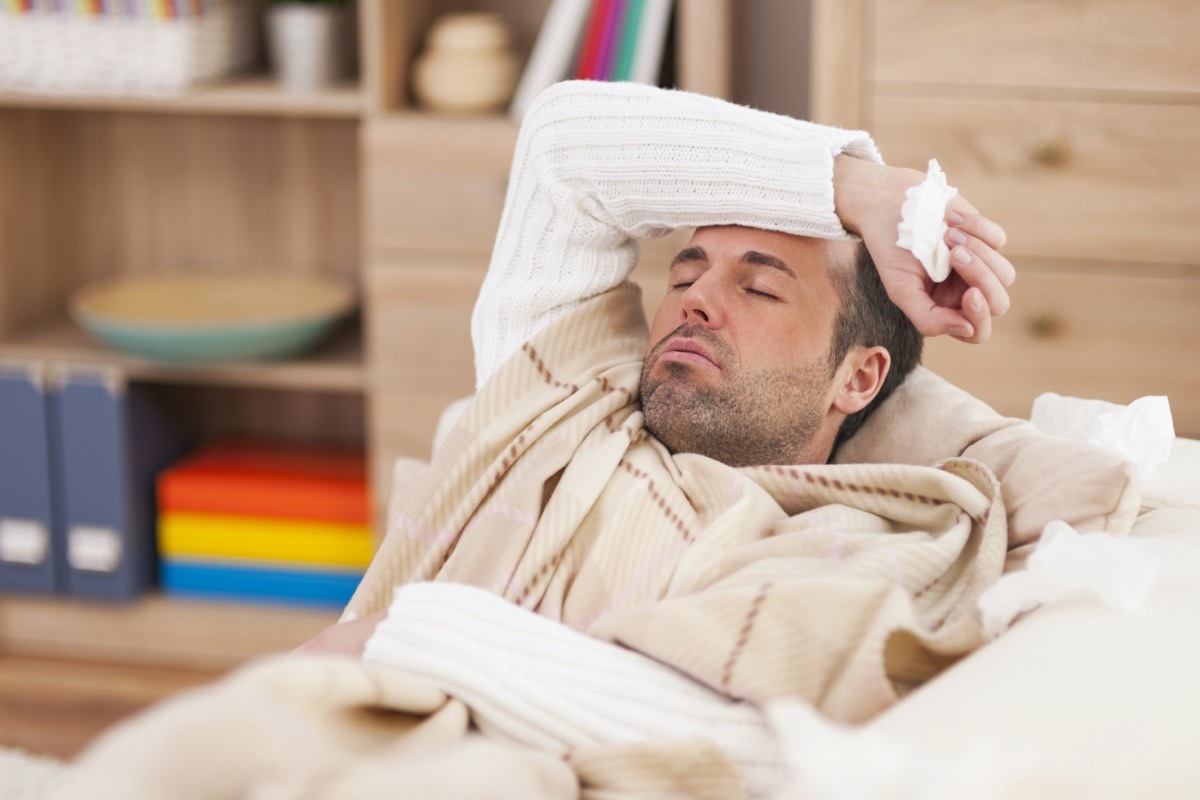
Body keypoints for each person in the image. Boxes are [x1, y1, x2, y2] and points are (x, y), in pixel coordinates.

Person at [52, 81, 1015, 800]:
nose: (696, 300)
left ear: (860, 377)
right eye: (685, 271)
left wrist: (419, 639)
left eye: (760, 287)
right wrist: (859, 190)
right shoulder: (562, 395)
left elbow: (766, 744)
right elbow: (563, 145)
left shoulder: (852, 542)